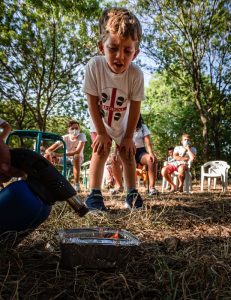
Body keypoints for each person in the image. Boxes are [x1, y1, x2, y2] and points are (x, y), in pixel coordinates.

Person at [82, 7, 144, 211]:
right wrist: (100, 132)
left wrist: (128, 137)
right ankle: (94, 195)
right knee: (100, 151)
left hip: (123, 121)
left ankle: (132, 194)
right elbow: (91, 100)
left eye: (127, 50)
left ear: (135, 53)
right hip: (100, 119)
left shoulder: (136, 74)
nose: (120, 56)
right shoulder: (94, 66)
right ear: (101, 46)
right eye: (113, 48)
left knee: (127, 154)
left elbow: (135, 107)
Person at [45, 120, 86, 192]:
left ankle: (77, 184)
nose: (75, 130)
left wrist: (58, 154)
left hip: (78, 159)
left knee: (76, 156)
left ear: (79, 129)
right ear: (68, 130)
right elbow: (48, 150)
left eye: (76, 128)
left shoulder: (82, 136)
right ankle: (49, 181)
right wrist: (52, 155)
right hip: (66, 159)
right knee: (47, 156)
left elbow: (77, 151)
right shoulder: (64, 138)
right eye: (72, 129)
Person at [133, 115, 159, 195]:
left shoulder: (143, 127)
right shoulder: (124, 125)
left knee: (151, 159)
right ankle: (130, 189)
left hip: (140, 151)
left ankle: (152, 188)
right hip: (128, 151)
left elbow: (147, 141)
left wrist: (151, 153)